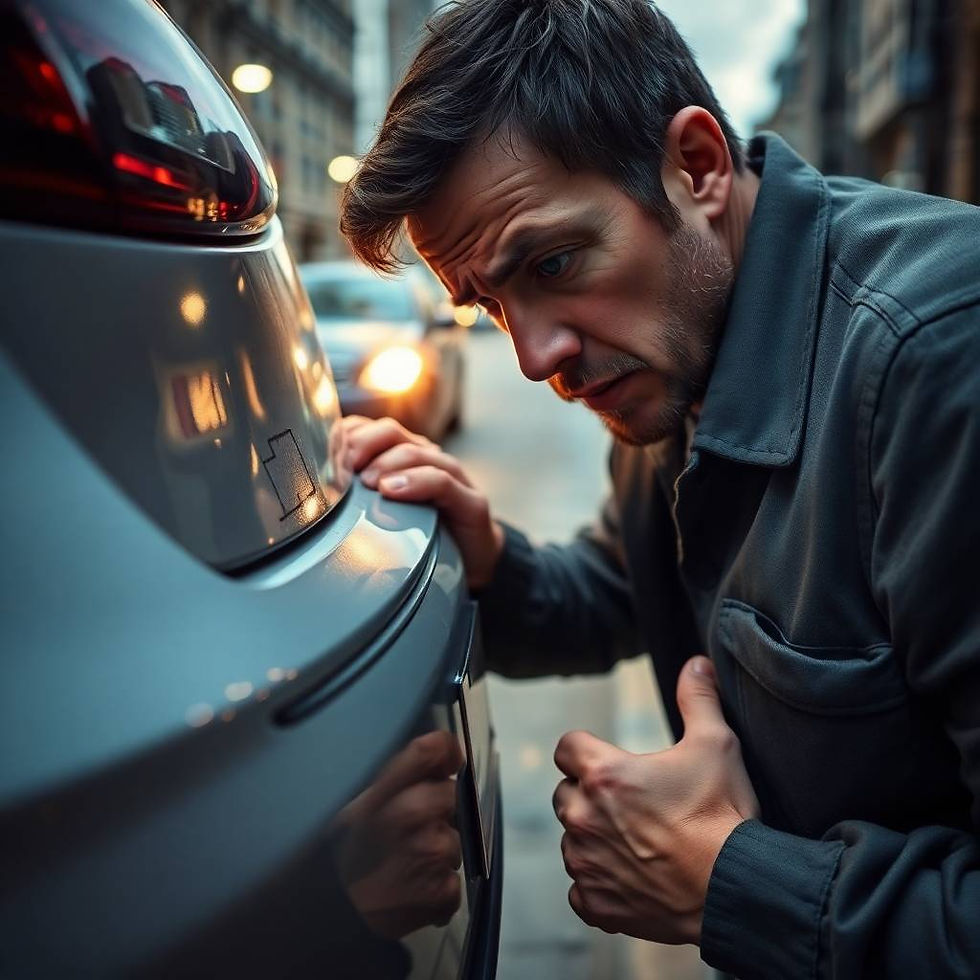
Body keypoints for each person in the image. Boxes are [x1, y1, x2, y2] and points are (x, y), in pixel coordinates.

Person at [336, 0, 980, 976]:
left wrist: (732, 884)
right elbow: (631, 583)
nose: (532, 354)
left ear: (695, 166)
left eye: (552, 262)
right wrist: (490, 562)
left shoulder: (937, 362)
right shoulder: (678, 344)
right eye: (489, 304)